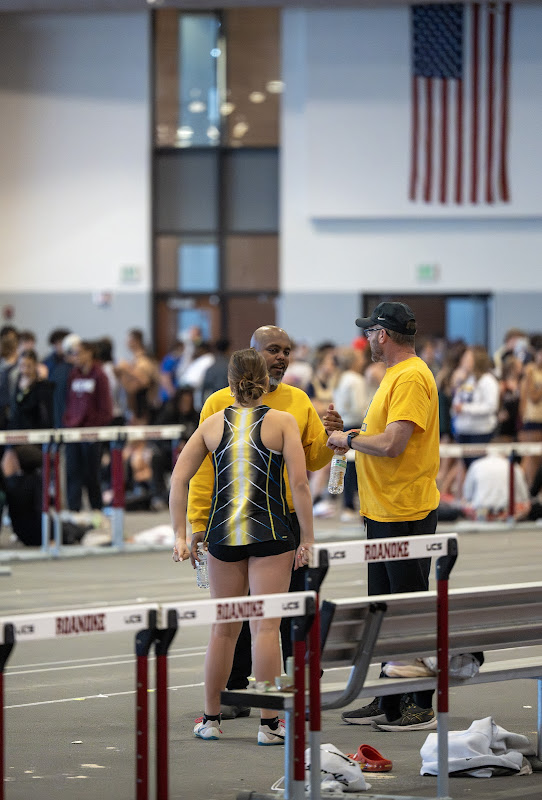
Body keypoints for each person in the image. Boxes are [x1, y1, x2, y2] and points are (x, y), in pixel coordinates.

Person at [187, 325, 343, 719]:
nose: (281, 357)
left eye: (287, 351)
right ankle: (236, 696)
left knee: (283, 619)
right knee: (237, 624)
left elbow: (308, 464)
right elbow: (203, 472)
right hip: (230, 520)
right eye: (273, 350)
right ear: (253, 352)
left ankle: (279, 698)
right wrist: (196, 522)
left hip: (282, 519)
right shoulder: (217, 404)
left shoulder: (297, 400)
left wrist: (330, 437)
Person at [170, 348, 315, 744]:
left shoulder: (213, 424)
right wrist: (309, 538)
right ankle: (270, 725)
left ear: (230, 384)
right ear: (267, 381)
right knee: (267, 630)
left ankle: (211, 718)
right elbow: (300, 486)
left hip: (223, 537)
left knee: (223, 631)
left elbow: (179, 479)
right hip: (271, 535)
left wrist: (180, 535)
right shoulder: (283, 422)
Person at [327, 301, 440, 732]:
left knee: (406, 607)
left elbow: (394, 444)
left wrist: (349, 441)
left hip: (403, 509)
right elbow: (386, 437)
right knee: (383, 609)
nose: (367, 339)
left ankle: (419, 704)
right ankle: (390, 697)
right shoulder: (397, 375)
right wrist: (352, 433)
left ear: (383, 335)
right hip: (385, 509)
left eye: (370, 332)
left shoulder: (410, 376)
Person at [63, 340, 113, 512]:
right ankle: (73, 512)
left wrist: (93, 427)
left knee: (91, 475)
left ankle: (97, 511)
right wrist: (69, 421)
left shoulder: (100, 375)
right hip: (73, 432)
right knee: (72, 473)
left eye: (79, 353)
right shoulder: (73, 374)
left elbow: (106, 409)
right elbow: (69, 402)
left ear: (89, 353)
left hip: (92, 433)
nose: (75, 357)